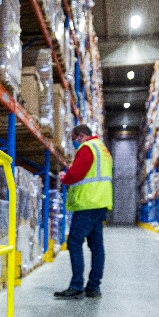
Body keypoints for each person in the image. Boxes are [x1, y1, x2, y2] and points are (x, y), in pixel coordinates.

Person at [53, 124, 113, 300]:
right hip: (100, 202)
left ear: (80, 136)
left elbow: (77, 173)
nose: (73, 144)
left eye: (73, 139)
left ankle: (77, 285)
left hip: (88, 203)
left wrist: (65, 177)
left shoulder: (87, 148)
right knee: (96, 246)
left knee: (74, 242)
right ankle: (94, 288)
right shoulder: (103, 149)